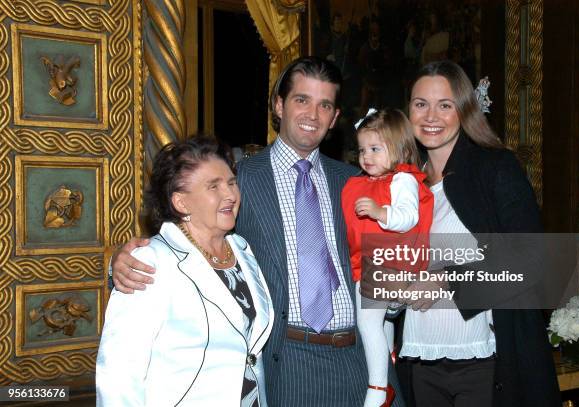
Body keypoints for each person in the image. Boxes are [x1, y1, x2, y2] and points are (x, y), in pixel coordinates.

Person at [109, 57, 405, 407]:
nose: (313, 114)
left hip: (363, 361)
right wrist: (123, 263)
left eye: (324, 104)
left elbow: (387, 255)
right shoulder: (239, 181)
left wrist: (397, 292)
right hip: (288, 363)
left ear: (335, 118)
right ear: (278, 105)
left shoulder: (356, 182)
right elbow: (185, 242)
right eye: (301, 100)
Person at [362, 60, 561, 407]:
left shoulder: (495, 168)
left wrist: (445, 282)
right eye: (421, 104)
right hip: (418, 358)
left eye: (445, 105)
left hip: (487, 362)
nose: (430, 116)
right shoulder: (400, 184)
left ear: (465, 110)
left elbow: (532, 258)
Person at [96, 136, 274, 406]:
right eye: (213, 186)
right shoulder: (150, 262)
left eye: (231, 183)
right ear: (181, 203)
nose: (230, 194)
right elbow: (119, 372)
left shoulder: (242, 250)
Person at [342, 108, 433, 407]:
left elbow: (408, 217)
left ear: (400, 149)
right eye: (362, 149)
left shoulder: (402, 181)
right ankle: (390, 354)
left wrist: (381, 213)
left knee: (367, 322)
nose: (366, 156)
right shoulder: (367, 181)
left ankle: (379, 387)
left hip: (390, 263)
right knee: (379, 321)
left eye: (375, 149)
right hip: (378, 261)